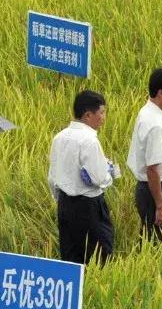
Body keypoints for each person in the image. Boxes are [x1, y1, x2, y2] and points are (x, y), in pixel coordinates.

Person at [48, 90, 119, 265]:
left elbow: (52, 176)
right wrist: (110, 174)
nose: (104, 117)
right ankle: (96, 291)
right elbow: (100, 178)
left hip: (64, 204)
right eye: (101, 112)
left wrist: (61, 199)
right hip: (89, 206)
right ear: (88, 115)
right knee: (100, 256)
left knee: (71, 256)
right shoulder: (89, 141)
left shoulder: (59, 137)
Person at [125, 67, 162, 240]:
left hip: (149, 187)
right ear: (161, 93)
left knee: (152, 237)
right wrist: (160, 206)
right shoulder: (155, 124)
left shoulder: (147, 112)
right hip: (156, 188)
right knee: (160, 240)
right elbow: (152, 169)